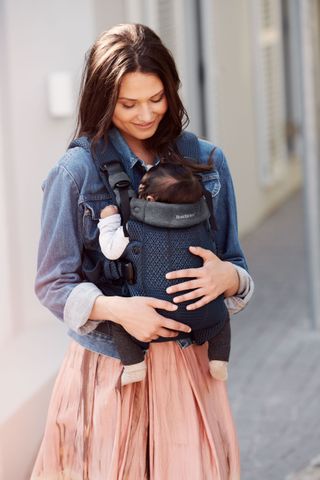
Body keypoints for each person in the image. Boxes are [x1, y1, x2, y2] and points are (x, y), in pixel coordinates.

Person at [31, 23, 254, 480]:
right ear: (100, 99)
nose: (145, 114)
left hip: (191, 368)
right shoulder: (75, 172)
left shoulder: (208, 161)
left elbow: (237, 265)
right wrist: (120, 310)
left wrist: (226, 279)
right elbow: (53, 283)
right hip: (110, 371)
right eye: (127, 104)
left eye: (156, 98)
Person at [98, 162, 232, 386]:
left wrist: (109, 220)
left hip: (152, 316)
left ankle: (134, 365)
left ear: (149, 200)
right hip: (202, 314)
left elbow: (111, 251)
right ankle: (219, 360)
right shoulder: (201, 223)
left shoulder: (135, 226)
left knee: (118, 322)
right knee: (222, 317)